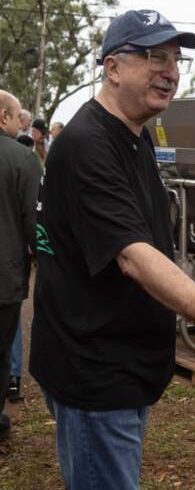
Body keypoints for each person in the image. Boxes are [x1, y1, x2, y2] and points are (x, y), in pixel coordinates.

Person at [30, 9, 195, 490]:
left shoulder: (136, 137)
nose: (171, 71)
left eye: (177, 60)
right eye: (154, 56)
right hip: (96, 372)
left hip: (123, 365)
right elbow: (133, 254)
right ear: (113, 68)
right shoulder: (87, 142)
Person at [0, 91, 41, 438]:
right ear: (3, 118)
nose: (20, 123)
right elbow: (34, 222)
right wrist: (44, 258)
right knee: (1, 350)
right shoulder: (23, 159)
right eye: (17, 118)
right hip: (4, 275)